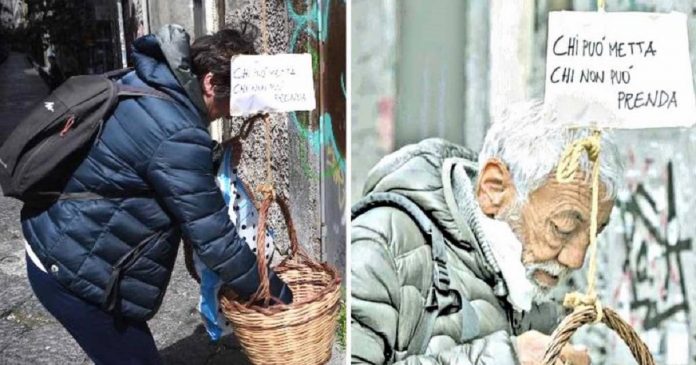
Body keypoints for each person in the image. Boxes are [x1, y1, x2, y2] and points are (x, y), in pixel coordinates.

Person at [20, 24, 292, 364]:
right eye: (234, 100)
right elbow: (216, 239)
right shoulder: (178, 132)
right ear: (210, 82)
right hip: (75, 269)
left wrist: (211, 158)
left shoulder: (150, 81)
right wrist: (275, 292)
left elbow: (141, 155)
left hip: (63, 238)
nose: (233, 111)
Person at [350, 100, 622, 365]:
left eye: (592, 236)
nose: (576, 260)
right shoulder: (379, 247)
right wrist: (505, 359)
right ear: (494, 188)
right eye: (562, 228)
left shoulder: (528, 287)